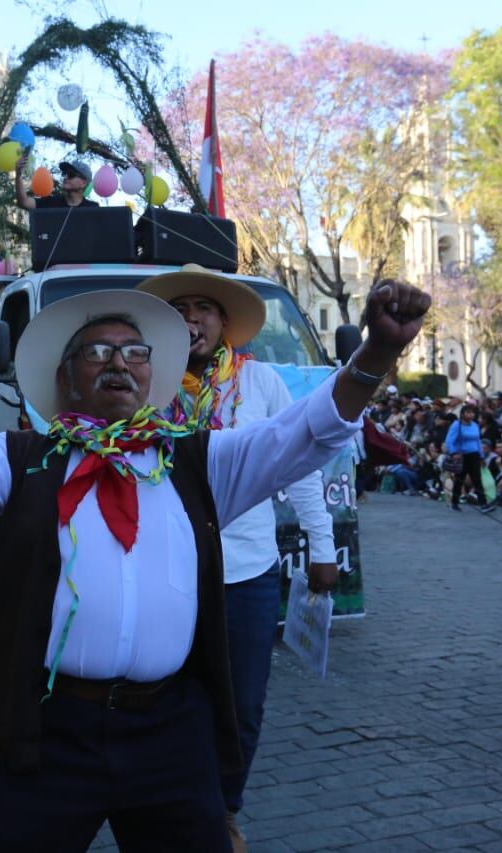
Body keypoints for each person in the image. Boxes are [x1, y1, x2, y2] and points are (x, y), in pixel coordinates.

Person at [0, 276, 430, 850]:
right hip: (45, 733)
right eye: (97, 352)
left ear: (150, 377)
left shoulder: (198, 462)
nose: (118, 363)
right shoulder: (21, 462)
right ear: (65, 379)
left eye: (135, 353)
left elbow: (305, 434)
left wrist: (378, 351)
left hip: (168, 734)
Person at [138, 266, 340, 851]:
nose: (191, 319)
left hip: (247, 574)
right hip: (167, 571)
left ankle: (225, 809)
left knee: (242, 707)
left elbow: (297, 466)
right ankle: (172, 810)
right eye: (178, 310)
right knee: (166, 701)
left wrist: (322, 546)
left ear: (224, 322)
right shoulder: (146, 382)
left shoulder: (262, 384)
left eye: (202, 308)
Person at [445, 404, 495, 513]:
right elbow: (449, 440)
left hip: (474, 455)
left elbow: (478, 441)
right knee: (459, 480)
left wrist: (481, 456)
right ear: (462, 414)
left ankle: (483, 504)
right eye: (468, 412)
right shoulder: (457, 425)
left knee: (477, 480)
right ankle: (454, 502)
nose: (471, 414)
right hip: (462, 456)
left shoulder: (475, 425)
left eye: (472, 412)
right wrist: (453, 452)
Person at [15, 159, 99, 210]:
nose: (65, 177)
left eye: (71, 175)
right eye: (64, 173)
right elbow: (24, 202)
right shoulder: (50, 203)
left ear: (83, 183)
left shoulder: (93, 209)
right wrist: (18, 175)